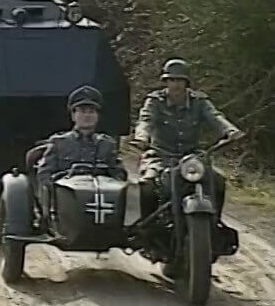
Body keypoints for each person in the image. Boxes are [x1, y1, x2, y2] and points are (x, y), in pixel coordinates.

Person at [133, 58, 243, 221]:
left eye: (180, 80)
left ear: (187, 83)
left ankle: (214, 222)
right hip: (160, 155)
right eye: (172, 80)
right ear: (166, 82)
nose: (176, 84)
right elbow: (145, 120)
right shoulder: (155, 101)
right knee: (147, 185)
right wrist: (141, 136)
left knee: (217, 180)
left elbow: (215, 117)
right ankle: (147, 227)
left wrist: (230, 130)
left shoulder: (199, 102)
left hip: (192, 157)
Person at [28, 86, 126, 225]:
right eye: (82, 111)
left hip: (101, 205)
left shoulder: (107, 144)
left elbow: (119, 176)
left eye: (92, 111)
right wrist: (52, 202)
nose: (87, 116)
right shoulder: (59, 142)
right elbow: (44, 174)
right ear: (73, 115)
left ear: (98, 116)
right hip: (64, 209)